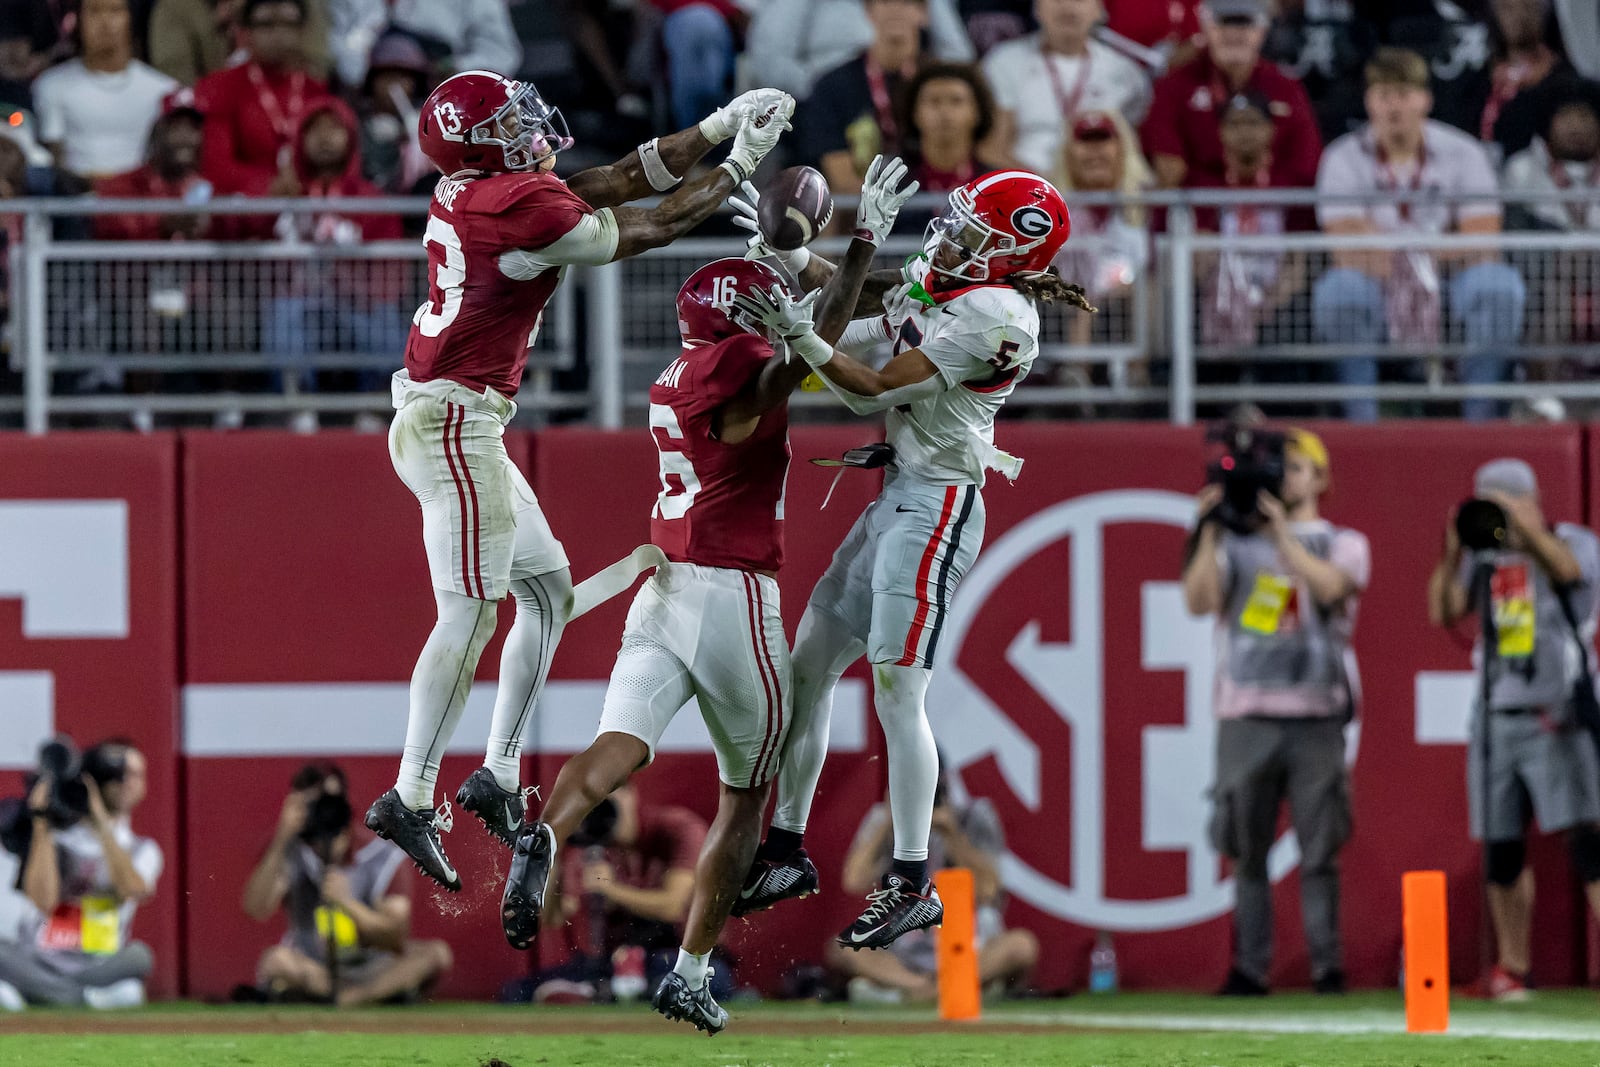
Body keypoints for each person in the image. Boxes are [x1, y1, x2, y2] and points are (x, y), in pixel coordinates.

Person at [495, 157, 918, 1034]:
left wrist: (812, 275)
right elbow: (792, 367)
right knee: (745, 794)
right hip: (732, 595)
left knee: (618, 743)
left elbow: (794, 347)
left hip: (662, 589)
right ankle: (690, 971)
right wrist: (860, 245)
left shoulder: (674, 375)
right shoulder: (740, 376)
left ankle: (548, 829)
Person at [361, 70, 797, 895]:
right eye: (512, 121)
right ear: (483, 144)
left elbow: (616, 179)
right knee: (471, 610)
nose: (532, 128)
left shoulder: (487, 189)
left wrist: (714, 125)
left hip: (459, 420)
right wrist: (738, 168)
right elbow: (648, 221)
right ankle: (412, 793)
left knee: (549, 590)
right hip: (452, 421)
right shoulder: (511, 207)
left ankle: (495, 769)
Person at [731, 170, 1092, 950]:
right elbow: (862, 313)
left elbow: (866, 387)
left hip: (938, 507)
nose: (949, 239)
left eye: (972, 233)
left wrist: (800, 332)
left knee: (898, 690)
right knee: (808, 666)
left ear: (1009, 252)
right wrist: (790, 254)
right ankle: (788, 847)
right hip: (895, 496)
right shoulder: (953, 285)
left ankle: (910, 879)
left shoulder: (999, 315)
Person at [1183, 428, 1368, 996]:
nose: (1283, 479)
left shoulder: (1342, 541)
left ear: (1320, 478)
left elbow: (1333, 588)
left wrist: (1283, 537)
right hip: (1248, 712)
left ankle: (1326, 967)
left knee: (1320, 851)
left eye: (1294, 468)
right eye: (1277, 468)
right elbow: (1198, 601)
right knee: (1246, 851)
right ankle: (1249, 968)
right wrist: (1206, 529)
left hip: (1317, 712)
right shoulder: (1235, 541)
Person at [1426, 458, 1600, 1001]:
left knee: (1590, 845)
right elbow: (1443, 611)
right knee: (1501, 848)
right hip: (1496, 715)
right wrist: (1453, 550)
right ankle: (1512, 967)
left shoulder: (1572, 540)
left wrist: (1523, 530)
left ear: (1533, 499)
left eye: (1504, 500)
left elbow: (1569, 572)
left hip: (1557, 715)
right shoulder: (1485, 557)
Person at [1312, 47, 1526, 422]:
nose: (1395, 107)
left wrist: (1396, 251)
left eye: (1404, 94)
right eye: (1384, 95)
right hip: (1376, 283)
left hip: (1449, 281)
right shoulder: (1342, 157)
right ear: (1369, 101)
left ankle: (1483, 418)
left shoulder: (1464, 152)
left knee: (1498, 286)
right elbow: (1346, 248)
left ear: (1425, 99)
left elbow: (1482, 239)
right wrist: (1438, 246)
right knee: (1338, 290)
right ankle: (1360, 422)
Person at [828, 759, 1037, 1002]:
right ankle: (927, 988)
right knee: (842, 947)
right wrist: (890, 819)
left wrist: (951, 833)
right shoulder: (885, 819)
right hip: (902, 950)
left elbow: (989, 891)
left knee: (1021, 946)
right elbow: (854, 881)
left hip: (967, 946)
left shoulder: (972, 816)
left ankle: (922, 991)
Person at [243, 764, 450, 1006]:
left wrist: (348, 904)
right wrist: (282, 836)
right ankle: (367, 995)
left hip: (371, 966)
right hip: (311, 963)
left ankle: (347, 997)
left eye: (330, 801)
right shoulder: (289, 851)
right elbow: (256, 908)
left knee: (435, 954)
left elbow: (395, 937)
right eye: (314, 804)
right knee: (276, 961)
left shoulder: (381, 856)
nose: (323, 812)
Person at [259, 97, 406, 429]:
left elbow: (391, 267)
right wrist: (271, 204)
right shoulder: (283, 191)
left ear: (351, 138)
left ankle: (374, 404)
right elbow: (247, 234)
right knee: (284, 316)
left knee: (383, 319)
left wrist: (365, 291)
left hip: (358, 298)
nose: (325, 138)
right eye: (315, 130)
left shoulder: (371, 199)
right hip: (299, 295)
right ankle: (298, 404)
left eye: (334, 129)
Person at [0, 741, 161, 1008]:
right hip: (41, 955)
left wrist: (100, 821)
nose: (127, 783)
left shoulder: (141, 847)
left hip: (99, 960)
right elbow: (45, 901)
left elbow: (132, 889)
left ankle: (38, 995)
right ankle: (86, 998)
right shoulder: (57, 837)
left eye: (136, 775)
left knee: (141, 956)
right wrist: (42, 822)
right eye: (120, 775)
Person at [1140, 0, 1321, 189]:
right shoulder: (1174, 87)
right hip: (1201, 210)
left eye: (1244, 23)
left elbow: (1307, 167)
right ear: (1206, 28)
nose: (1233, 34)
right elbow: (1168, 173)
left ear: (1262, 30)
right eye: (1225, 22)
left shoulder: (1286, 89)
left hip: (1276, 207)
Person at [981, 0, 1153, 177]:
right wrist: (1046, 188)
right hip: (1027, 190)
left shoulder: (1125, 71)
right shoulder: (1004, 62)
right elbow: (992, 149)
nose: (1068, 7)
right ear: (1037, 7)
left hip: (1102, 190)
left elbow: (1133, 151)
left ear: (1099, 9)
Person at [192, 0, 331, 197]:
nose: (278, 34)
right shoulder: (222, 87)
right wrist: (266, 184)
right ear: (246, 34)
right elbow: (216, 166)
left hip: (309, 204)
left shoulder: (317, 91)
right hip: (245, 208)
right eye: (266, 24)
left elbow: (338, 166)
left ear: (303, 32)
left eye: (289, 24)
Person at [30, 0, 177, 180]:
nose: (105, 22)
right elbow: (54, 159)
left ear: (130, 19)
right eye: (94, 12)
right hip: (75, 200)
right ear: (78, 21)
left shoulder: (163, 89)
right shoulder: (50, 85)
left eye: (115, 11)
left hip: (142, 199)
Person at [801, 0, 931, 195]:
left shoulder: (945, 83)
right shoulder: (832, 85)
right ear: (867, 11)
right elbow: (841, 179)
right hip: (862, 212)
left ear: (924, 14)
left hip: (936, 203)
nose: (895, 8)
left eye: (907, 2)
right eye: (884, 2)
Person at [741, 0, 973, 101]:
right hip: (819, 97)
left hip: (908, 93)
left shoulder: (914, 6)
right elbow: (770, 60)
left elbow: (958, 57)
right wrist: (832, 89)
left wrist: (920, 88)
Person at [329, 0, 521, 90]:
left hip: (451, 100)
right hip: (362, 107)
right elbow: (329, 44)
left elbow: (502, 53)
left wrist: (454, 68)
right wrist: (368, 75)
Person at [149, 0, 332, 84]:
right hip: (210, 117)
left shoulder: (304, 5)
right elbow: (176, 84)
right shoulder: (175, 7)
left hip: (290, 107)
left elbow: (318, 71)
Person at [897, 62, 1004, 194]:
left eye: (956, 101)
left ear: (978, 113)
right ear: (914, 113)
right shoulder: (889, 183)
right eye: (934, 101)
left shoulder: (997, 185)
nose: (944, 111)